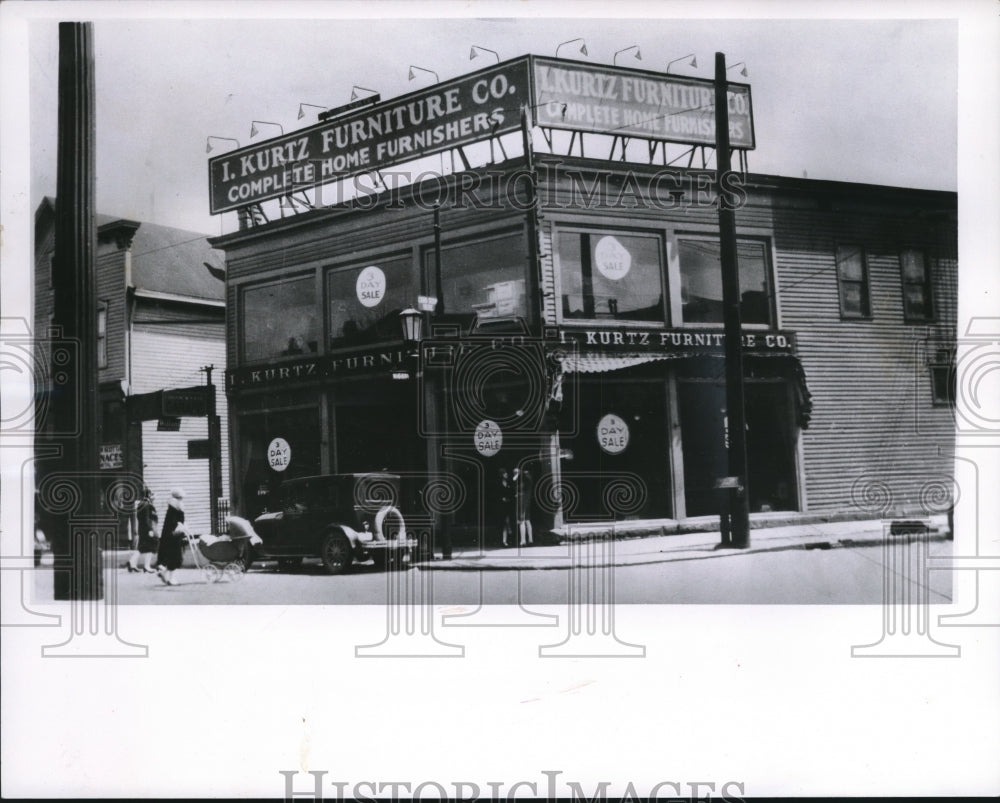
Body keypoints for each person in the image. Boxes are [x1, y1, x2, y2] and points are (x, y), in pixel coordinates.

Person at [155, 488, 188, 586]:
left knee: (170, 556)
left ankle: (163, 571)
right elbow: (178, 523)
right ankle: (171, 578)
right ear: (179, 498)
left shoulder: (171, 508)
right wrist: (182, 528)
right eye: (181, 498)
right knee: (176, 557)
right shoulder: (178, 508)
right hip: (175, 536)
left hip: (168, 535)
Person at [127, 486, 159, 573]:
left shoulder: (141, 504)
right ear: (148, 495)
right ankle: (147, 566)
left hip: (142, 529)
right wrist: (150, 530)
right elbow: (147, 519)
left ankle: (132, 563)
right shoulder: (147, 505)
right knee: (150, 547)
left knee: (141, 548)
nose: (154, 497)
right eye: (152, 495)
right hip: (148, 530)